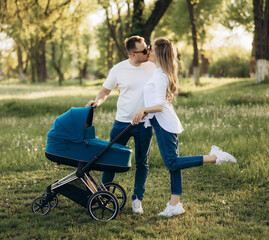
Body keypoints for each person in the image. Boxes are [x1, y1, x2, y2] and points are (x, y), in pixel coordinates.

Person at [132, 37, 237, 217]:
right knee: (174, 164)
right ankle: (175, 205)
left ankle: (214, 157)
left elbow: (160, 106)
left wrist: (143, 109)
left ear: (159, 52)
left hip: (164, 122)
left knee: (172, 162)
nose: (148, 50)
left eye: (152, 48)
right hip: (162, 122)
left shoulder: (161, 77)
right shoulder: (158, 72)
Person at [86, 36, 156, 214]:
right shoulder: (119, 69)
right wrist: (97, 102)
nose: (148, 52)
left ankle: (137, 199)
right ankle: (103, 195)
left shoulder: (153, 66)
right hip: (121, 123)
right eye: (144, 50)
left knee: (142, 162)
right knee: (110, 160)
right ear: (133, 54)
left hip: (144, 123)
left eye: (148, 48)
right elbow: (105, 90)